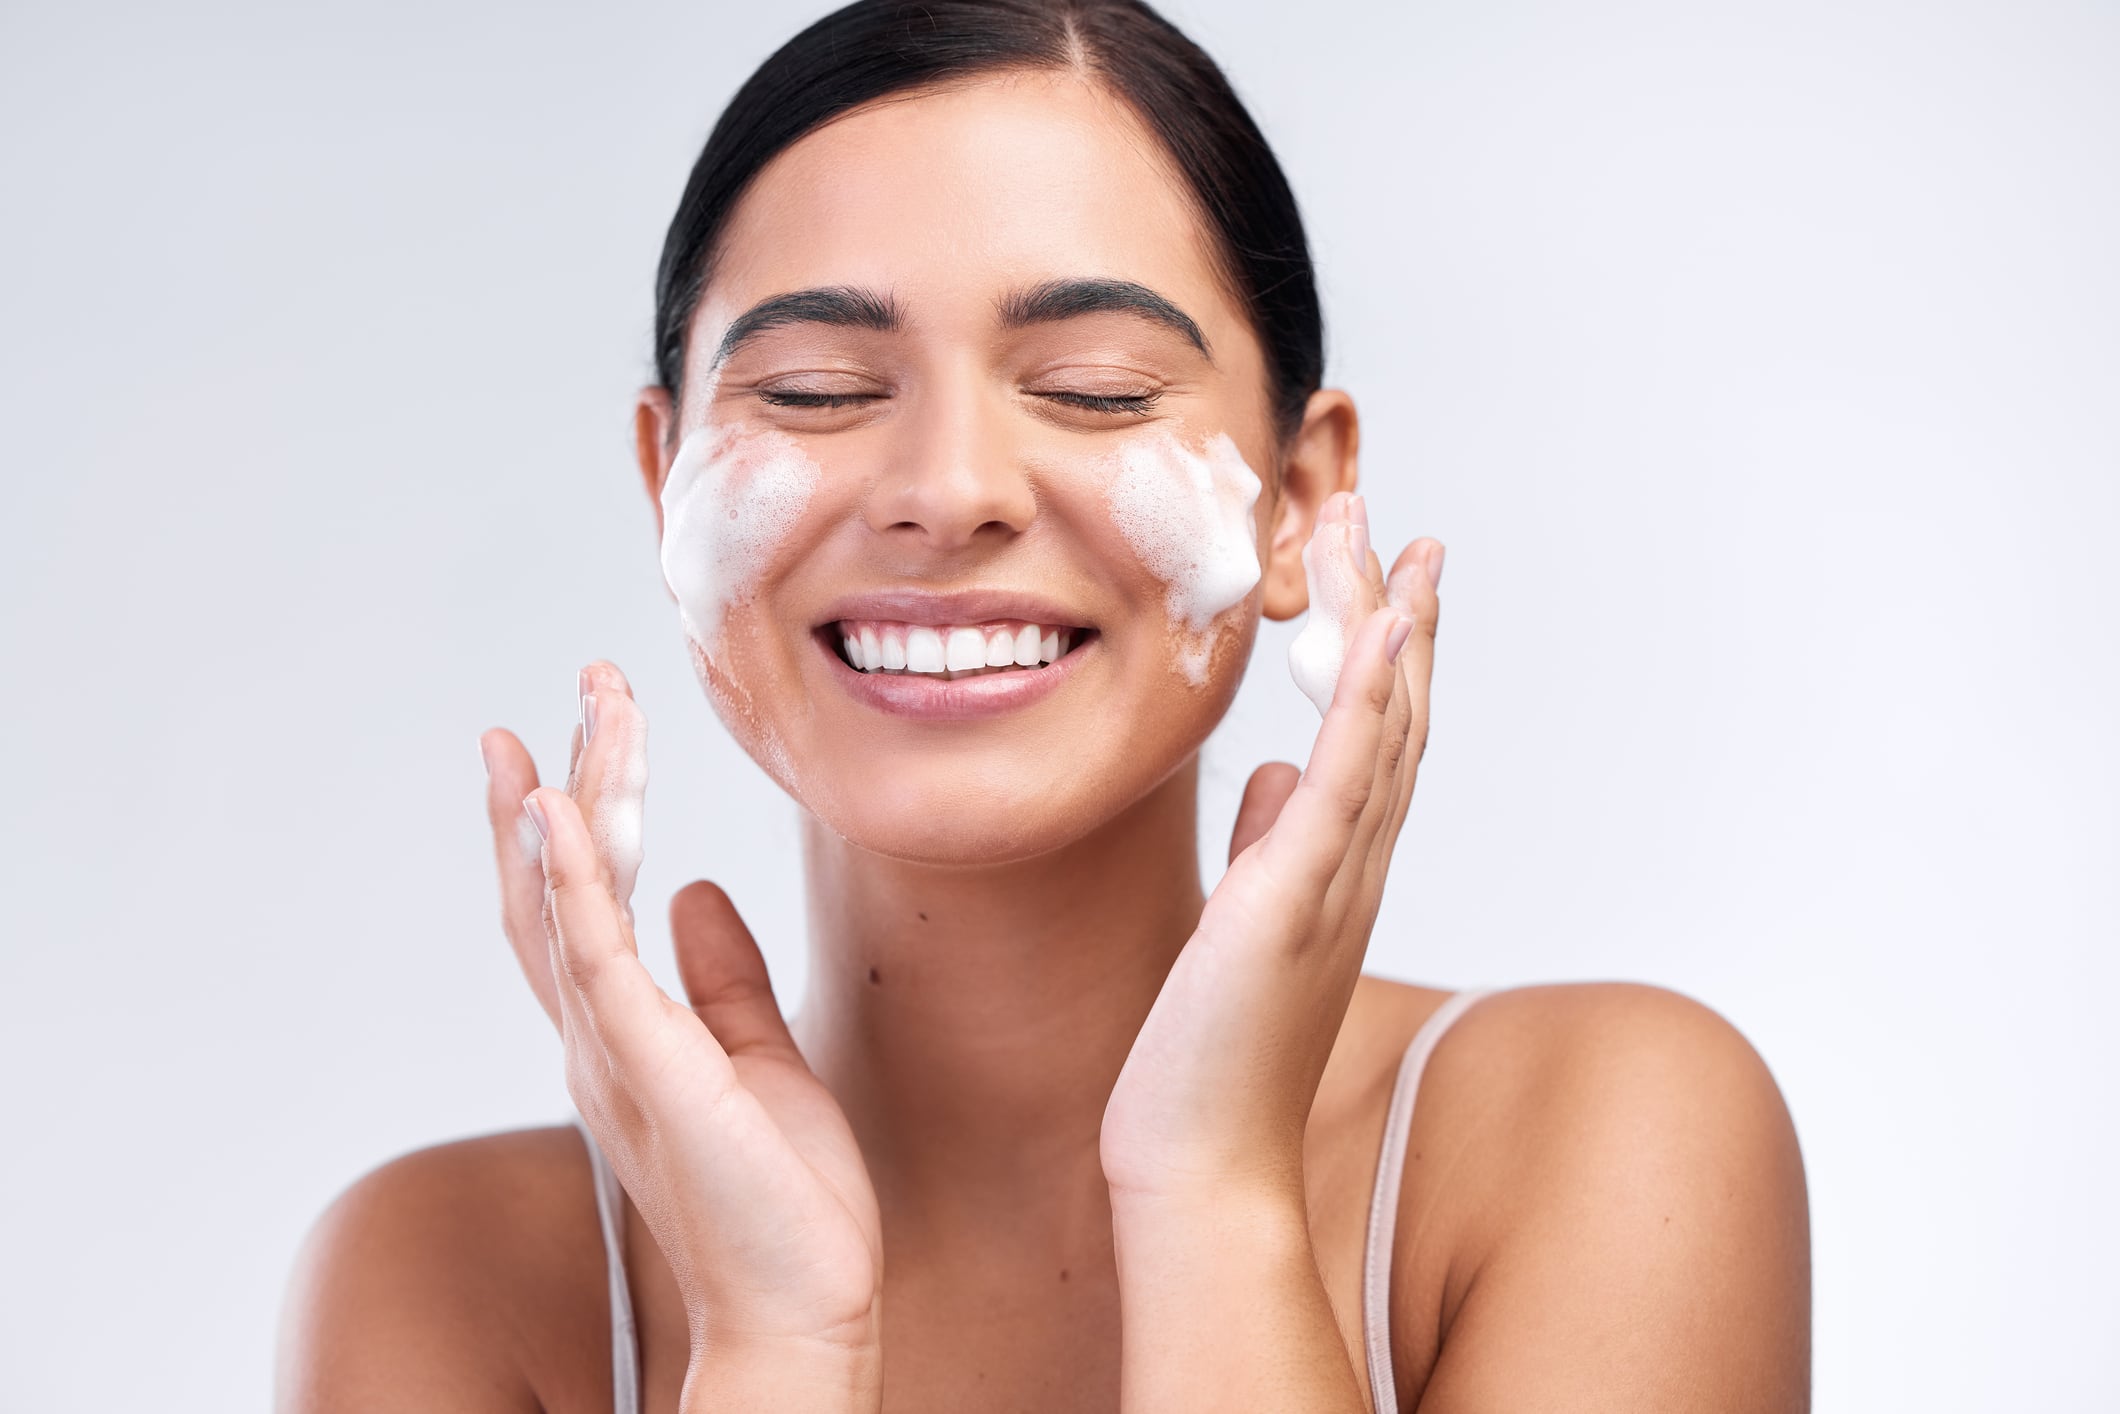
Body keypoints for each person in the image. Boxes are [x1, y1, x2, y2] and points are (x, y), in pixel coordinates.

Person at [277, 2, 1811, 1409]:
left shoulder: (1599, 1142)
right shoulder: (445, 1281)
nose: (946, 493)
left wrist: (1213, 1199)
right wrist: (773, 1342)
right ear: (662, 482)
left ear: (1298, 498)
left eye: (1091, 389)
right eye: (814, 390)